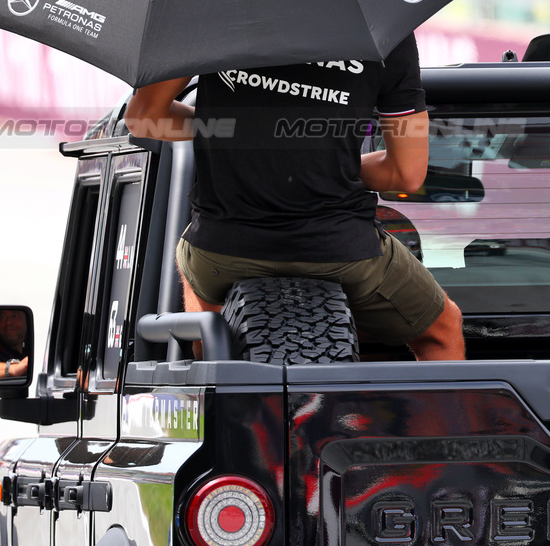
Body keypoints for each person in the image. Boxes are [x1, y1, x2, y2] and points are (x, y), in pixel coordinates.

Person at [126, 34, 464, 361]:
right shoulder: (385, 26)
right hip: (342, 249)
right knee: (443, 327)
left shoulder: (213, 13)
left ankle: (214, 381)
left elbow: (143, 120)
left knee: (202, 295)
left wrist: (235, 131)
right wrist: (329, 165)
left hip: (224, 248)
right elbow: (406, 173)